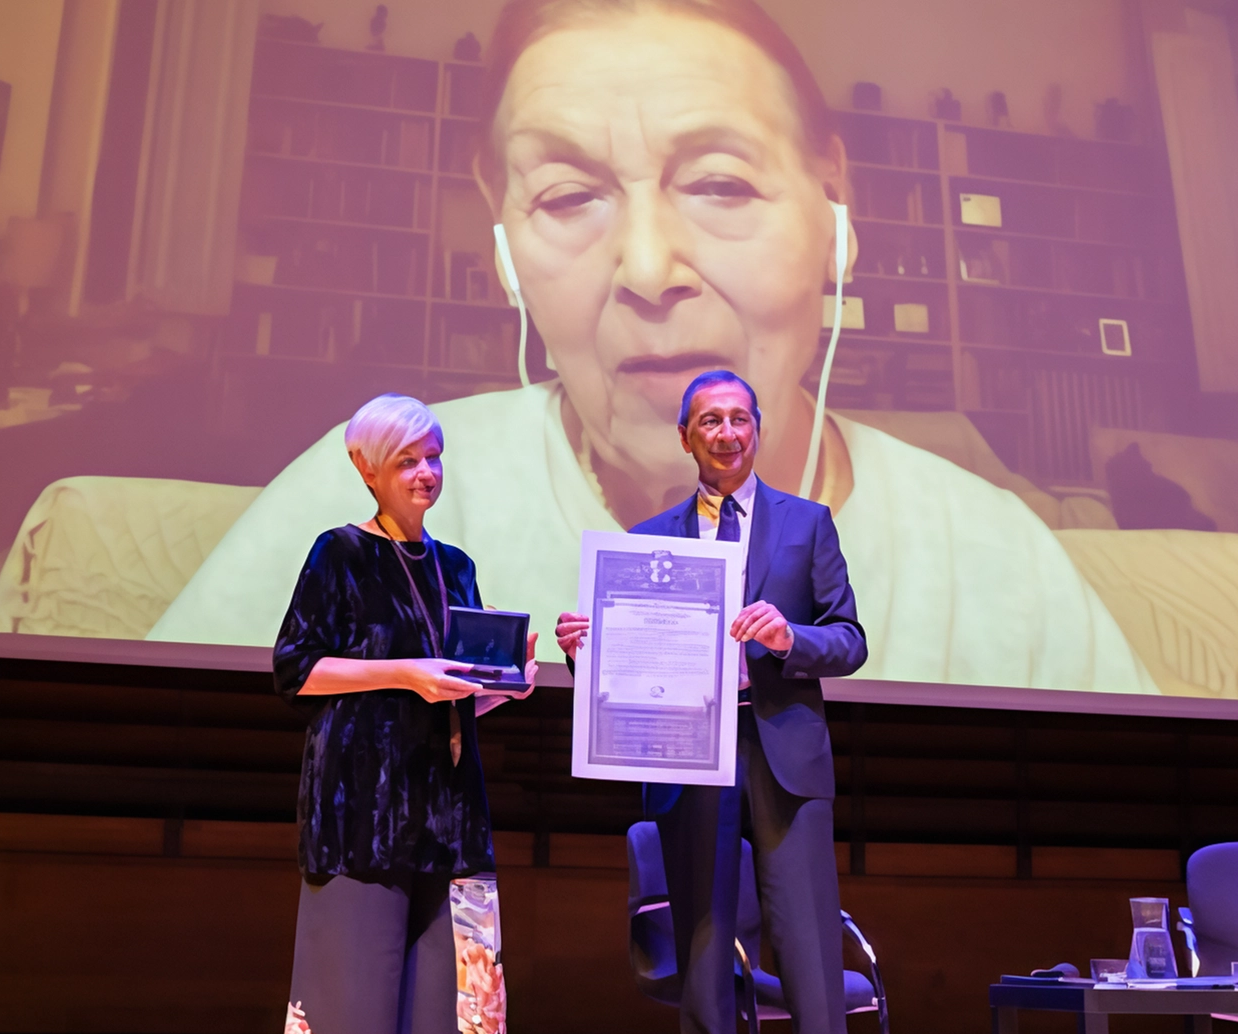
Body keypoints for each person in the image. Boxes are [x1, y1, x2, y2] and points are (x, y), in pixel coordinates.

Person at [150, 0, 1156, 697]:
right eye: (569, 196)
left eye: (720, 184)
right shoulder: (376, 492)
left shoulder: (998, 568)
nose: (645, 267)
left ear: (833, 208)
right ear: (503, 244)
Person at [559, 370, 867, 1034]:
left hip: (783, 744)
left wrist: (791, 637)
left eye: (739, 419)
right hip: (688, 751)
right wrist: (586, 649)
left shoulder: (806, 524)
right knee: (704, 935)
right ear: (684, 436)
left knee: (807, 937)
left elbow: (850, 640)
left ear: (757, 428)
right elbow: (627, 662)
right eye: (709, 421)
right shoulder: (646, 540)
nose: (726, 433)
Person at [271, 393, 536, 1034]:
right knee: (351, 1012)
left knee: (459, 1015)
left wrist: (509, 687)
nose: (425, 472)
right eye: (406, 461)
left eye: (433, 457)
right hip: (363, 810)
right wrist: (405, 671)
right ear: (367, 468)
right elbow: (294, 668)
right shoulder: (339, 553)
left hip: (451, 814)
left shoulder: (456, 566)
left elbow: (453, 691)